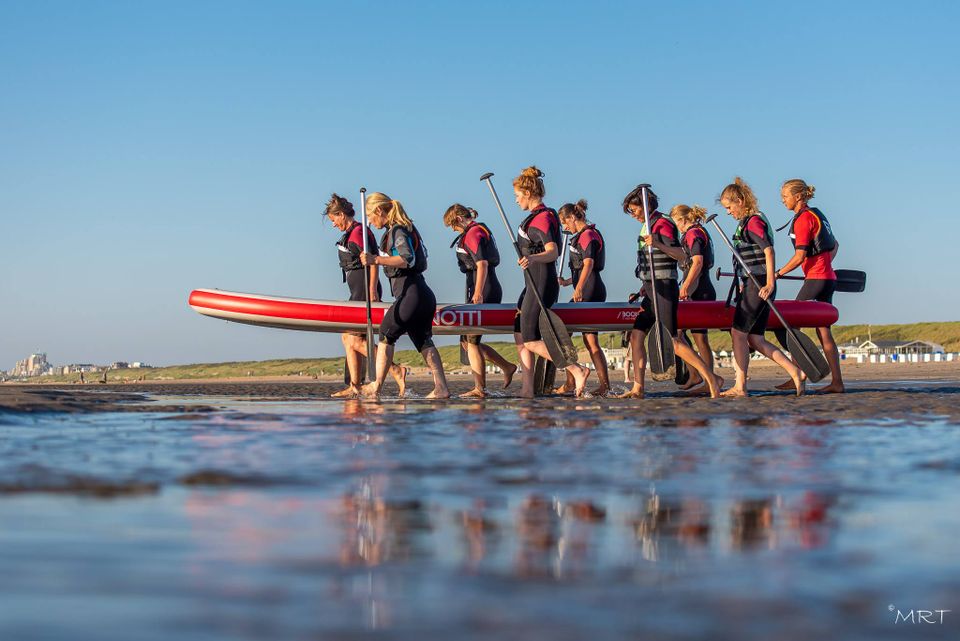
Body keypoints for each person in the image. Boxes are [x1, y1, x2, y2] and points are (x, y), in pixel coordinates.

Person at [616, 185, 721, 399]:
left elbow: (682, 255)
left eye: (634, 210)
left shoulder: (663, 223)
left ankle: (711, 378)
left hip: (665, 288)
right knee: (636, 337)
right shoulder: (646, 226)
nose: (633, 215)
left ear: (645, 206)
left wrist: (657, 244)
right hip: (650, 290)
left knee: (672, 341)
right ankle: (638, 387)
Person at [718, 177, 804, 397]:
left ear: (740, 201)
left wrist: (769, 282)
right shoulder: (748, 222)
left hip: (758, 284)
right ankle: (795, 372)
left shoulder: (753, 222)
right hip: (753, 283)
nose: (728, 212)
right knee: (755, 338)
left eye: (729, 207)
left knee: (737, 333)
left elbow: (768, 251)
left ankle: (740, 385)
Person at [359, 193, 449, 399]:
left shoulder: (398, 230)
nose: (371, 223)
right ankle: (441, 388)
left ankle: (376, 386)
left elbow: (407, 258)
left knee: (385, 334)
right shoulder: (404, 228)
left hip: (412, 294)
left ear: (380, 211)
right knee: (423, 340)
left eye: (371, 216)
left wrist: (376, 260)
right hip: (422, 294)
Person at [511, 166, 590, 398]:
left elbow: (553, 252)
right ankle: (527, 389)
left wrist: (531, 257)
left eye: (517, 196)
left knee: (531, 340)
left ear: (527, 193)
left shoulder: (544, 217)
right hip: (531, 283)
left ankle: (578, 370)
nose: (516, 201)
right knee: (519, 333)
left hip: (541, 283)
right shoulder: (536, 217)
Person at [325, 194, 407, 398]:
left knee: (353, 340)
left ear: (341, 215)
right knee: (348, 336)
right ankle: (354, 385)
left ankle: (395, 369)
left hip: (364, 291)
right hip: (357, 291)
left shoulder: (359, 232)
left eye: (334, 220)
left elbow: (372, 262)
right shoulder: (353, 232)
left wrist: (372, 292)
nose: (334, 225)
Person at [774, 179, 845, 393]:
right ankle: (837, 383)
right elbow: (835, 246)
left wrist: (777, 273)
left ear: (798, 196)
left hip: (816, 280)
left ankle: (799, 373)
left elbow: (799, 256)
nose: (782, 200)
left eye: (785, 196)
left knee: (788, 322)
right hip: (827, 278)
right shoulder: (816, 214)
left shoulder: (804, 219)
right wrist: (824, 265)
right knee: (823, 331)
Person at [443, 203, 518, 398]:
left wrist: (477, 294)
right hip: (478, 286)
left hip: (484, 288)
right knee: (467, 342)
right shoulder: (474, 231)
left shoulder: (473, 233)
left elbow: (482, 263)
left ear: (459, 219)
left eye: (454, 226)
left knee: (472, 340)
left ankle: (480, 388)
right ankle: (506, 366)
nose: (454, 230)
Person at [554, 199, 610, 396]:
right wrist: (569, 282)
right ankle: (594, 382)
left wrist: (578, 288)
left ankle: (580, 379)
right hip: (587, 287)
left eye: (564, 222)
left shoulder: (588, 235)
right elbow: (580, 269)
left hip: (590, 290)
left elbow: (588, 264)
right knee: (584, 339)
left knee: (567, 332)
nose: (564, 226)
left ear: (571, 217)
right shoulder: (582, 235)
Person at [671, 204, 722, 395]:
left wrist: (685, 286)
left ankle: (708, 379)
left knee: (697, 338)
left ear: (683, 219)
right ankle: (696, 374)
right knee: (682, 334)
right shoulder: (697, 232)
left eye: (676, 223)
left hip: (699, 289)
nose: (677, 228)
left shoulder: (694, 233)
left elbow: (698, 261)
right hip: (697, 286)